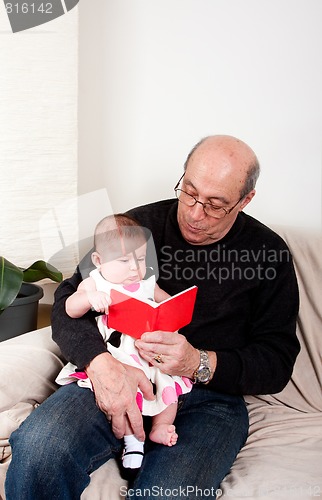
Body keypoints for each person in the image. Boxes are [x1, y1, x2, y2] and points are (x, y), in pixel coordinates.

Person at [6, 135, 300, 500]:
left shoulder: (267, 254)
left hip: (209, 399)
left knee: (170, 493)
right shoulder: (139, 226)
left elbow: (277, 360)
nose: (194, 213)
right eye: (189, 192)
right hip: (119, 373)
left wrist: (198, 362)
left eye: (214, 205)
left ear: (245, 200)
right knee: (39, 451)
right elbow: (70, 299)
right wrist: (100, 365)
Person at [55, 213, 193, 477]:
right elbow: (69, 309)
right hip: (117, 357)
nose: (134, 268)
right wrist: (89, 299)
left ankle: (161, 426)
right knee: (126, 396)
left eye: (140, 259)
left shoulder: (145, 283)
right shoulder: (95, 282)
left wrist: (170, 309)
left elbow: (166, 302)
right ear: (99, 261)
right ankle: (133, 442)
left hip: (149, 356)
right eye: (124, 260)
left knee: (170, 389)